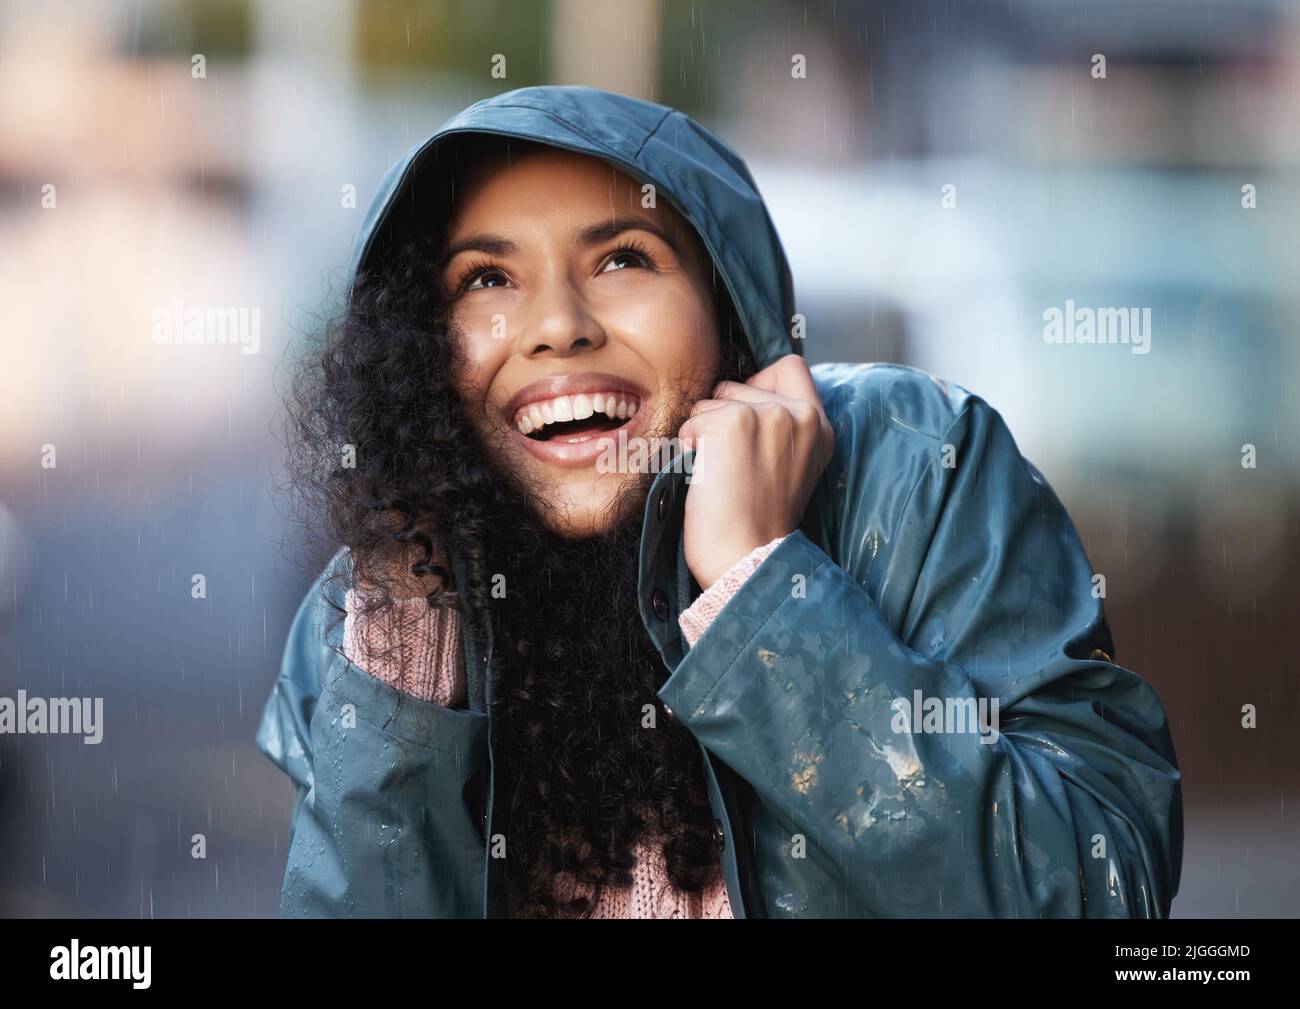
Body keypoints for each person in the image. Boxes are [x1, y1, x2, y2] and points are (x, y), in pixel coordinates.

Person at [257, 85, 1183, 918]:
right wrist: (407, 670)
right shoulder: (376, 622)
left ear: (729, 307)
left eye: (623, 257)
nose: (558, 326)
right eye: (487, 279)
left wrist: (763, 588)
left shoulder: (917, 474)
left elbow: (1101, 897)